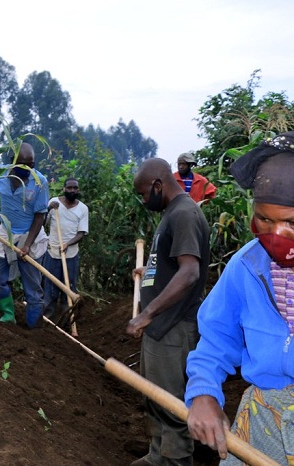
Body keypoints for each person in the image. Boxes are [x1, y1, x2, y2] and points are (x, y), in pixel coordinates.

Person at [185, 132, 294, 465]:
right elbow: (217, 338)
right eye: (264, 219)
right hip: (264, 419)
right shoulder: (246, 266)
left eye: (291, 222)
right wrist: (203, 392)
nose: (276, 235)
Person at [128, 158, 211, 466]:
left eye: (143, 193)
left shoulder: (185, 215)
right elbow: (173, 264)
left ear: (158, 186)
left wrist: (145, 314)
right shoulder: (172, 214)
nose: (142, 199)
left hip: (174, 328)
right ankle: (157, 455)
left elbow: (189, 273)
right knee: (155, 396)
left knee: (172, 403)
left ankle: (176, 461)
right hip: (161, 327)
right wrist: (149, 269)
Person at [0, 142, 49, 328]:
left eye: (31, 165)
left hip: (31, 234)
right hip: (5, 232)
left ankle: (34, 328)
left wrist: (28, 245)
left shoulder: (39, 182)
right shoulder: (0, 175)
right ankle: (8, 315)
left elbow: (40, 216)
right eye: (23, 165)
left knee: (32, 287)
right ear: (12, 162)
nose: (27, 169)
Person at [42, 177, 89, 325]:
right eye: (69, 188)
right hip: (52, 253)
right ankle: (47, 321)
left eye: (75, 188)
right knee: (49, 289)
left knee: (68, 289)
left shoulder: (82, 209)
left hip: (71, 256)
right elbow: (42, 223)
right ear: (64, 188)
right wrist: (48, 209)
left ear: (78, 190)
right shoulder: (53, 203)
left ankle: (66, 324)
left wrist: (68, 244)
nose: (72, 191)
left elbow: (81, 233)